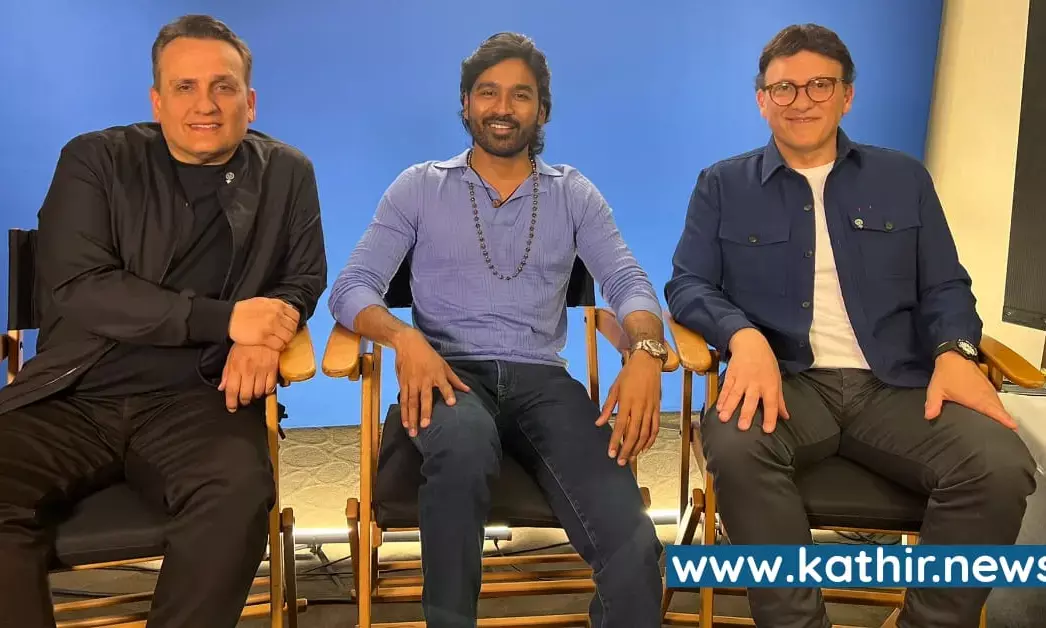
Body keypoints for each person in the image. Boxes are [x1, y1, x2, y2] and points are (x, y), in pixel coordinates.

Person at [665, 23, 1037, 628]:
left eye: (820, 84)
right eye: (784, 88)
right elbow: (688, 285)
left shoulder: (903, 178)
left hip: (897, 386)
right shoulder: (722, 185)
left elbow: (945, 285)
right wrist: (743, 336)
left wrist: (955, 350)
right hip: (787, 383)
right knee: (733, 446)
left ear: (847, 95)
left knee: (1000, 465)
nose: (802, 100)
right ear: (762, 100)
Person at [329, 32, 666, 628]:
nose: (502, 108)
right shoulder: (419, 187)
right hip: (449, 374)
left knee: (633, 538)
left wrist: (644, 351)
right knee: (462, 447)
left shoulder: (574, 194)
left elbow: (628, 282)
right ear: (465, 104)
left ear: (542, 110)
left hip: (544, 382)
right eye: (487, 92)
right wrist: (406, 339)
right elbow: (352, 287)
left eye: (520, 95)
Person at [0, 14, 326, 628]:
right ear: (157, 100)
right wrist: (228, 321)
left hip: (199, 398)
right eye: (185, 87)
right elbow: (79, 287)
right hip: (73, 393)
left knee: (237, 496)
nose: (206, 104)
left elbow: (303, 277)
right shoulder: (95, 160)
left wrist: (269, 334)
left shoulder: (288, 172)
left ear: (250, 101)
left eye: (224, 86)